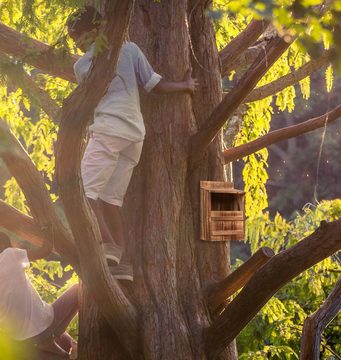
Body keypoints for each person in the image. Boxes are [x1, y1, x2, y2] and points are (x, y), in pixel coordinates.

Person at [66, 6, 198, 281]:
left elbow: (91, 103)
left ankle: (101, 250)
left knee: (83, 193)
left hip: (107, 130)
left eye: (76, 37)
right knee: (110, 199)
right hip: (134, 136)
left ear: (92, 31)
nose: (76, 43)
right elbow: (154, 85)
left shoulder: (81, 66)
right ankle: (119, 262)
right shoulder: (130, 49)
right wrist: (185, 85)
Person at [0, 232, 78, 359]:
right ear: (3, 244)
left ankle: (53, 341)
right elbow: (44, 251)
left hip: (20, 341)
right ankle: (55, 334)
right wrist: (47, 228)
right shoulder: (10, 254)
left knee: (63, 352)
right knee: (78, 289)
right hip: (43, 326)